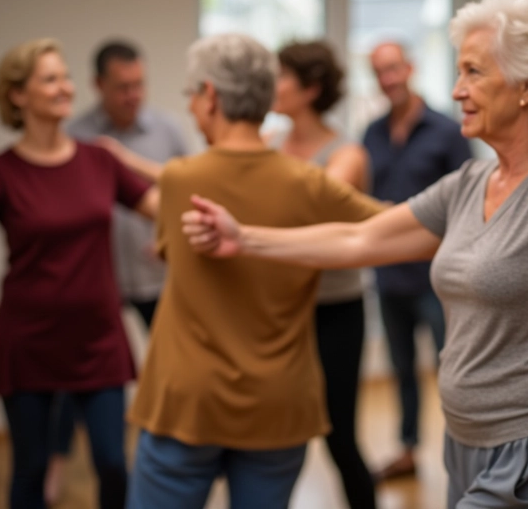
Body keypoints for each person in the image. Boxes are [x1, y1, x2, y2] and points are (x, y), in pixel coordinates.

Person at [183, 0, 528, 509]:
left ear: (527, 86)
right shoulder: (469, 183)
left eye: (473, 72)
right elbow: (360, 236)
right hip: (466, 439)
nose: (456, 91)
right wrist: (242, 237)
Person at [125, 33, 385, 509]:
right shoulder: (308, 181)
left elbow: (170, 251)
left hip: (190, 401)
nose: (190, 108)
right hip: (278, 401)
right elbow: (394, 226)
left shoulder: (183, 178)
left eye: (190, 96)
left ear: (209, 95)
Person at [0, 38, 158, 509]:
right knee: (32, 468)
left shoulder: (100, 161)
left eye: (66, 77)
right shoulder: (0, 172)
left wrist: (182, 230)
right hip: (30, 338)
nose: (65, 88)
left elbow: (160, 208)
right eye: (50, 79)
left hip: (98, 336)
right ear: (18, 95)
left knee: (114, 462)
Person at [48, 40, 188, 504]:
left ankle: (176, 452)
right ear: (99, 86)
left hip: (155, 278)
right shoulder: (78, 136)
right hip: (98, 284)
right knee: (75, 379)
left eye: (139, 85)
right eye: (122, 87)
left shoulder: (167, 131)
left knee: (172, 367)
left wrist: (167, 238)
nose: (132, 95)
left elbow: (183, 195)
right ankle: (57, 463)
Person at [269, 40, 376, 509]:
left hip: (336, 310)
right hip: (281, 309)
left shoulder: (346, 152)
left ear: (310, 89)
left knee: (339, 435)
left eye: (283, 77)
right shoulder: (271, 146)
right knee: (277, 437)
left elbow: (314, 202)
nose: (274, 86)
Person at [362, 40, 472, 480]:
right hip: (389, 277)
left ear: (410, 68)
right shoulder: (371, 133)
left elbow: (467, 201)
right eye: (379, 72)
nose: (388, 79)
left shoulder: (448, 131)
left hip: (437, 277)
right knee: (402, 370)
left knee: (455, 369)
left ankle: (464, 451)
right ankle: (408, 450)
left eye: (393, 69)